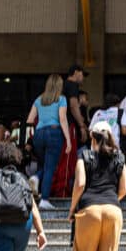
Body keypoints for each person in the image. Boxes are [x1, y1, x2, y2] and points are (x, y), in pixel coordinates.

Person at [66, 121, 126, 251]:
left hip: (89, 210)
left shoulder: (83, 156)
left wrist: (72, 209)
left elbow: (80, 184)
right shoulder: (120, 158)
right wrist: (110, 201)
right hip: (113, 210)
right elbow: (124, 189)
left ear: (93, 137)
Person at [26, 74, 71, 210]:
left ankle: (36, 177)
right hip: (54, 132)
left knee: (44, 164)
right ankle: (44, 199)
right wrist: (68, 140)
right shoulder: (62, 99)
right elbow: (63, 119)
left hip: (39, 134)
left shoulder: (39, 99)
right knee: (50, 166)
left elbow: (29, 119)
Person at [52, 64, 89, 197]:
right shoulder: (72, 86)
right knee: (68, 159)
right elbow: (73, 106)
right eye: (82, 74)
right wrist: (81, 126)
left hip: (54, 126)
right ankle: (62, 192)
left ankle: (54, 189)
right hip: (67, 126)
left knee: (57, 159)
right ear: (75, 72)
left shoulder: (59, 86)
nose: (83, 78)